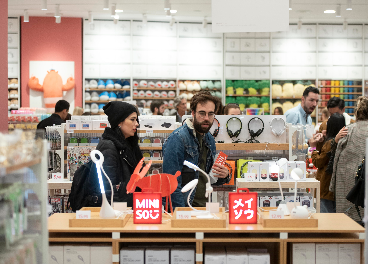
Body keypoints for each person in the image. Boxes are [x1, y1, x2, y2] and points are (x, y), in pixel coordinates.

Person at [163, 91, 230, 209]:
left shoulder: (209, 138)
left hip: (204, 207)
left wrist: (224, 176)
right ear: (193, 113)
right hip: (185, 207)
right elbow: (171, 184)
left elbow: (208, 178)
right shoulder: (178, 138)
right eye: (202, 113)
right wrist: (180, 213)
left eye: (210, 114)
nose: (206, 118)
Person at [85, 101, 143, 207]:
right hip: (118, 211)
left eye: (136, 120)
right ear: (119, 122)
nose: (137, 124)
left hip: (129, 207)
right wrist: (116, 213)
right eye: (132, 119)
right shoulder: (109, 147)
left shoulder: (128, 145)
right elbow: (107, 187)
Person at [329, 96, 368, 222]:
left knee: (347, 224)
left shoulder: (348, 130)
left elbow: (336, 158)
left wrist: (332, 186)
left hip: (347, 185)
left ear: (357, 112)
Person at [310, 113, 346, 213]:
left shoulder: (330, 143)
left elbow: (318, 162)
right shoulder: (344, 141)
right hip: (339, 188)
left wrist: (313, 147)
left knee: (326, 219)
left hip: (326, 187)